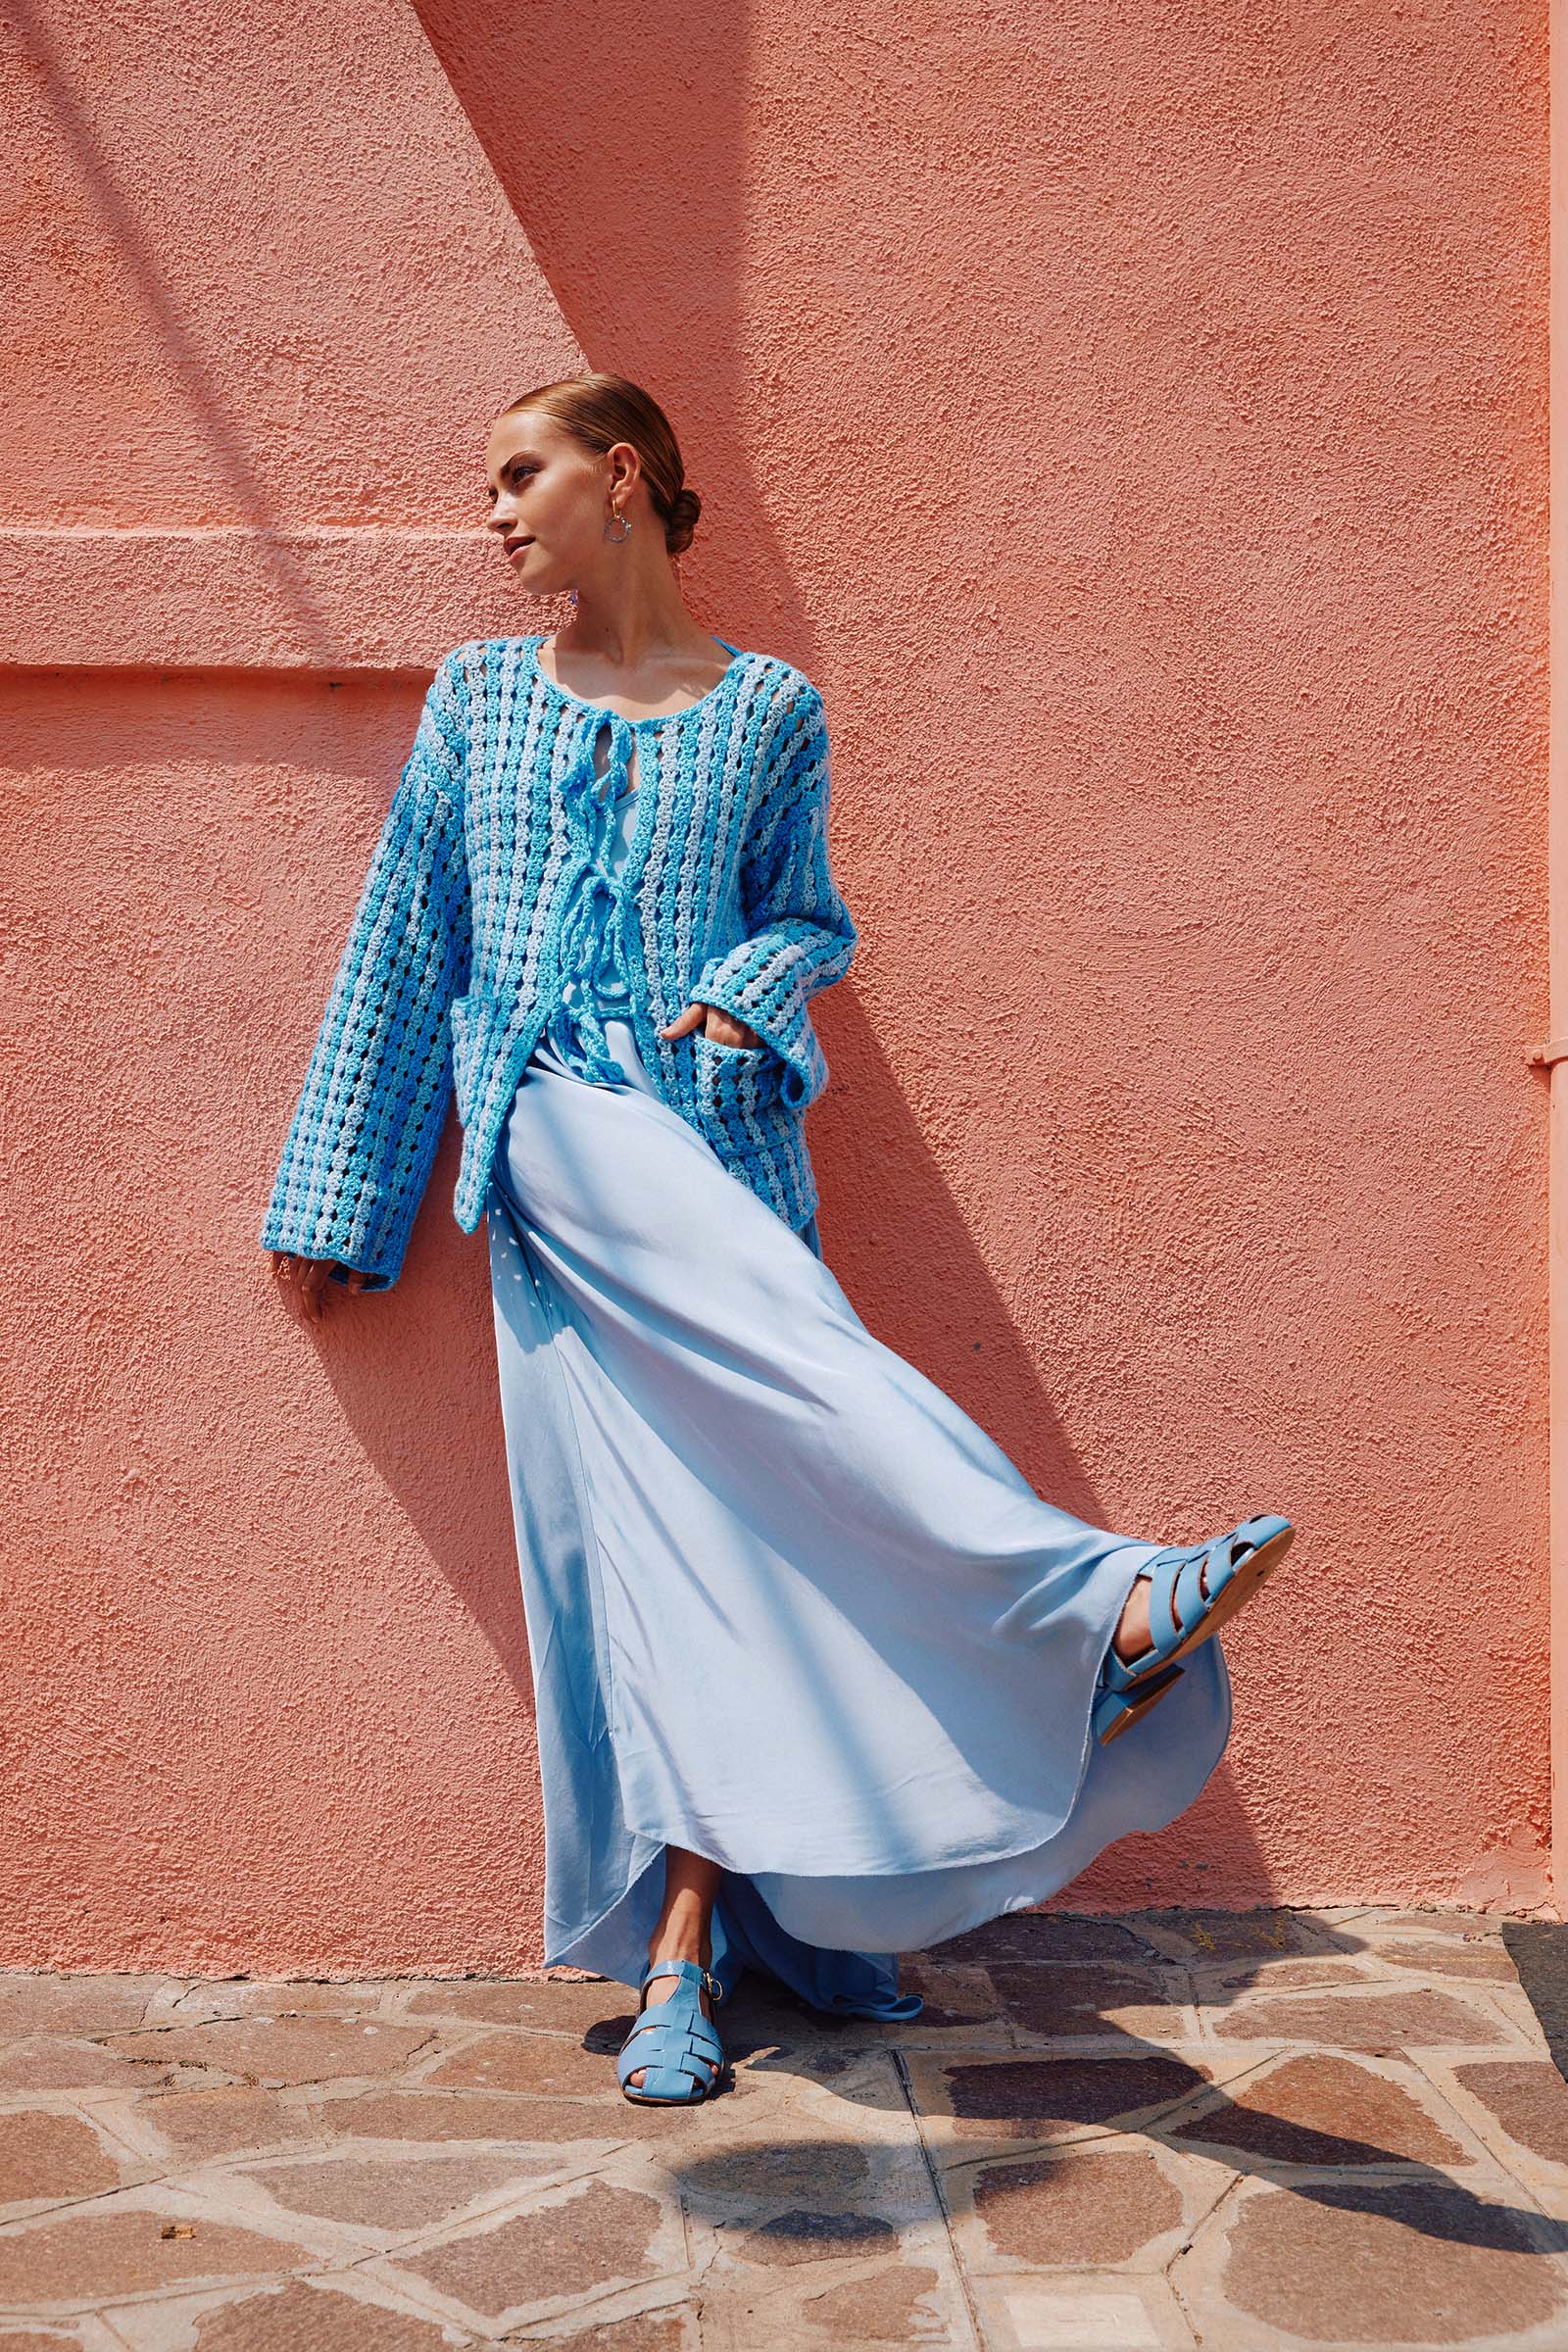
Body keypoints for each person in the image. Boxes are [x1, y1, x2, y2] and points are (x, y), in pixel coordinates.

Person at [261, 370, 1295, 2109]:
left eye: (519, 475)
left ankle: (690, 1954)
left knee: (714, 1570)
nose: (493, 515)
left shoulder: (769, 711)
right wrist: (337, 1197)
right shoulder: (478, 699)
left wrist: (746, 992)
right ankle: (1093, 1601)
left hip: (725, 1162)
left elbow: (811, 917)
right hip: (553, 1129)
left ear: (624, 476)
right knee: (814, 1389)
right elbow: (406, 936)